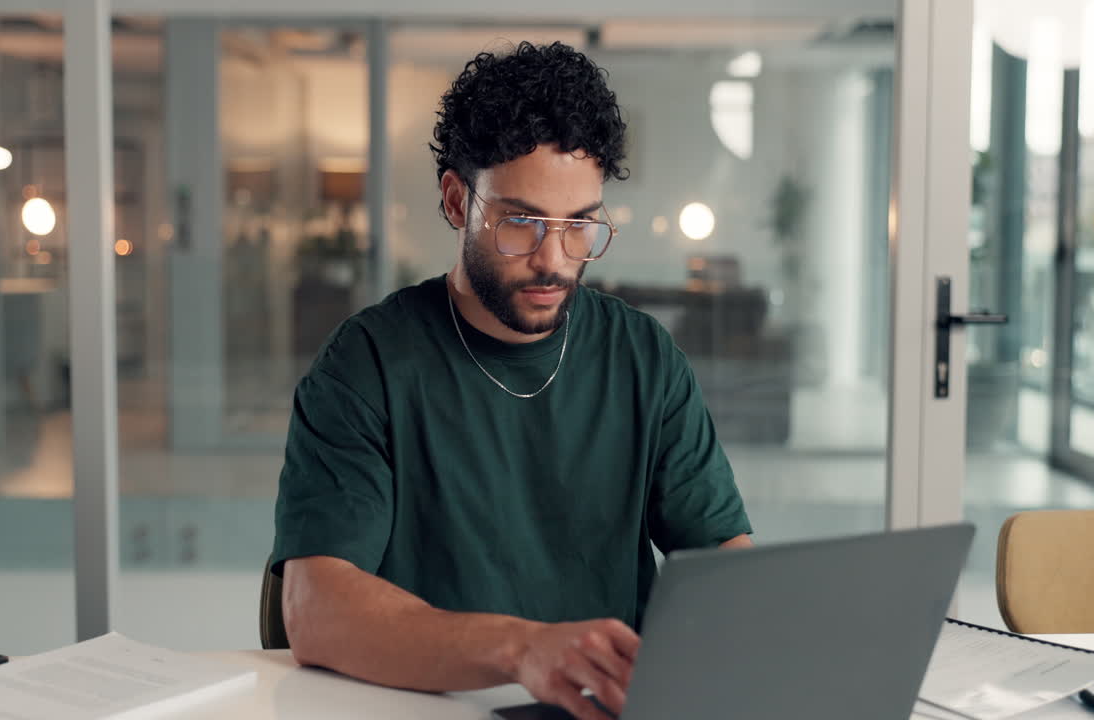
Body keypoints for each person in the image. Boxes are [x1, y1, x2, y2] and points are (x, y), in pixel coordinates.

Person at [273, 41, 752, 720]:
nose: (554, 261)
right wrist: (522, 648)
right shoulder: (367, 365)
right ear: (454, 199)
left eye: (580, 225)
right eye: (521, 222)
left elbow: (728, 565)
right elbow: (313, 609)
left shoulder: (643, 358)